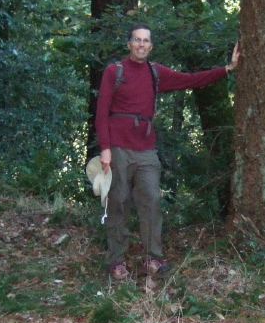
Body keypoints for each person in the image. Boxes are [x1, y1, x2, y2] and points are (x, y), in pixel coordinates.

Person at [94, 23, 241, 281]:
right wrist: (105, 149)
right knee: (118, 202)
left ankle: (153, 258)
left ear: (151, 46)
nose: (141, 44)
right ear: (129, 44)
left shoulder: (155, 73)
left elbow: (190, 79)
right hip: (118, 148)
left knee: (151, 199)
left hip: (146, 149)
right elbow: (101, 112)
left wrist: (226, 69)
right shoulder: (114, 71)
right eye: (137, 40)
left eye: (146, 40)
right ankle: (116, 261)